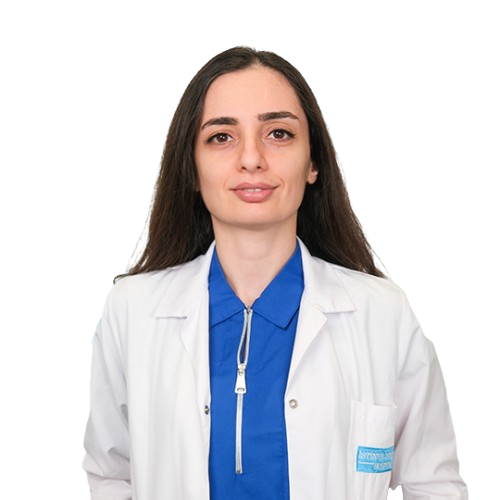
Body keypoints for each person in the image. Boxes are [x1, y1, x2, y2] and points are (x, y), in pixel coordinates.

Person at [82, 45, 468, 499]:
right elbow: (111, 477)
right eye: (221, 137)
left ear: (313, 162)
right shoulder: (132, 311)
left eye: (279, 133)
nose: (252, 158)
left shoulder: (382, 314)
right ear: (192, 168)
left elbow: (433, 484)